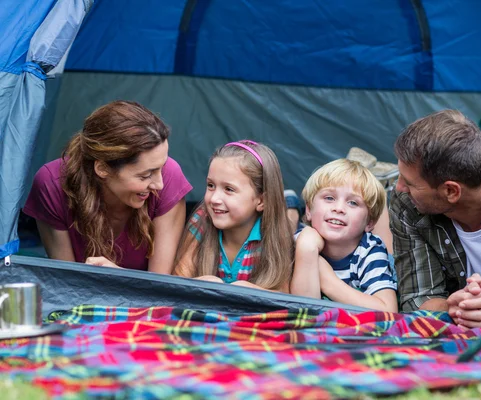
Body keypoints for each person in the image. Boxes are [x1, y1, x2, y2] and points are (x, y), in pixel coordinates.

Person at [390, 109, 481, 329]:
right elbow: (417, 297)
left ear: (451, 191)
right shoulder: (407, 206)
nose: (399, 188)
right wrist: (454, 307)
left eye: (409, 183)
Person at [23, 101, 192, 273]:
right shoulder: (52, 185)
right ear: (102, 169)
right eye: (145, 175)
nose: (159, 184)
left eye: (161, 168)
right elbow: (68, 285)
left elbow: (161, 288)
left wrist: (117, 277)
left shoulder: (170, 178)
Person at [173, 140, 294, 292]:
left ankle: (292, 207)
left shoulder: (275, 235)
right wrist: (201, 284)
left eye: (229, 189)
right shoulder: (202, 220)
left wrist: (247, 291)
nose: (214, 199)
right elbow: (177, 281)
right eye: (211, 185)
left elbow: (285, 297)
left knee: (291, 222)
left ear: (261, 200)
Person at [290, 159, 398, 312]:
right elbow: (304, 311)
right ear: (308, 210)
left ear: (369, 223)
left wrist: (327, 280)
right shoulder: (300, 242)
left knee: (391, 253)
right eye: (329, 198)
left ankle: (381, 183)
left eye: (353, 203)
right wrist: (307, 250)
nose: (339, 208)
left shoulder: (370, 251)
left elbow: (389, 311)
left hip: (383, 260)